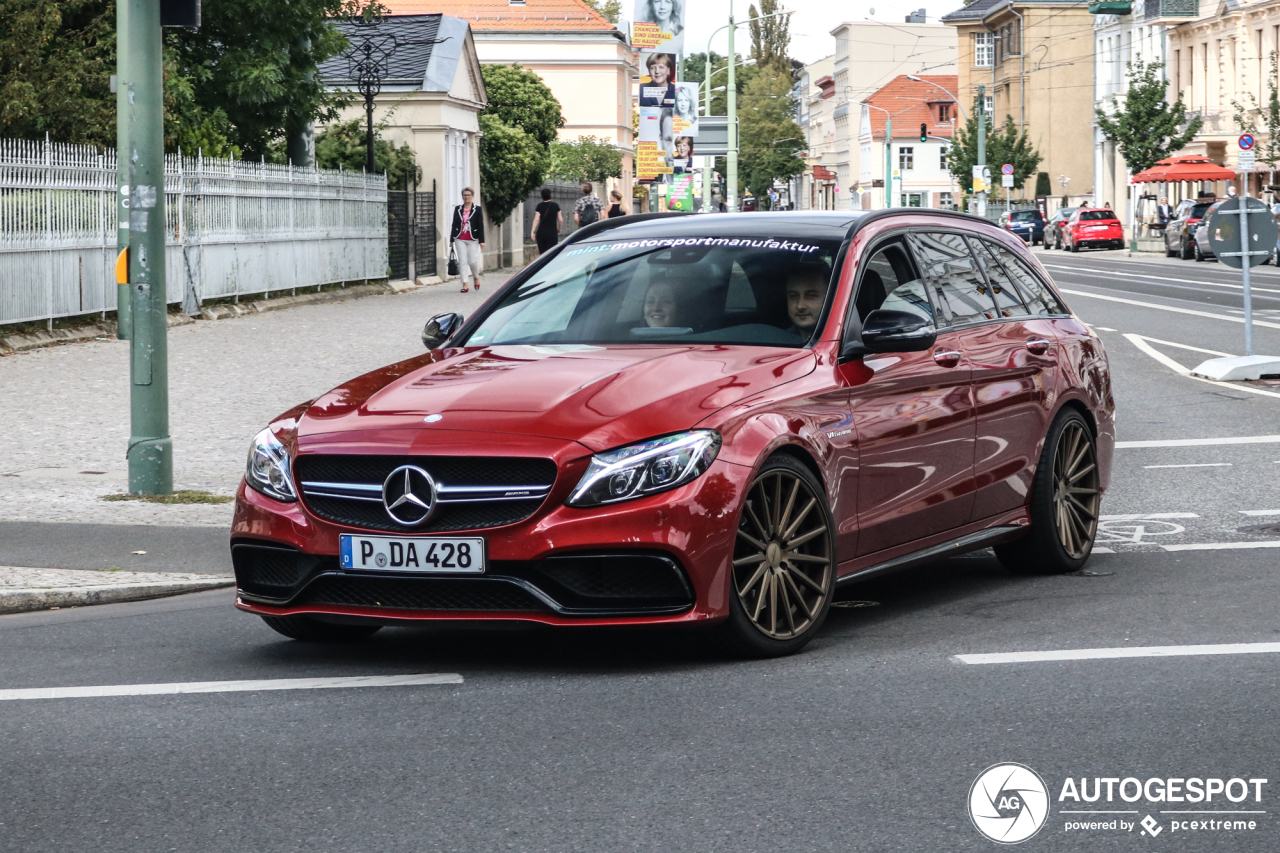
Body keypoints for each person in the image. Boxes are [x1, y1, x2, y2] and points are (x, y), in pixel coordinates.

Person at [449, 187, 485, 293]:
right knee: (463, 261)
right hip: (460, 238)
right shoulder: (458, 209)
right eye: (464, 195)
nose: (466, 197)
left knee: (473, 261)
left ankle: (476, 277)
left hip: (473, 238)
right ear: (462, 196)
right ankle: (465, 283)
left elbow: (480, 225)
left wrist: (482, 240)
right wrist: (452, 239)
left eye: (468, 195)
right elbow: (454, 224)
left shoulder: (477, 209)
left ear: (472, 196)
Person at [784, 265, 827, 340]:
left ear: (828, 297)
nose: (800, 306)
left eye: (811, 296)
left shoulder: (846, 338)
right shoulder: (776, 340)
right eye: (793, 296)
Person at [530, 188, 562, 255]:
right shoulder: (555, 205)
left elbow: (536, 219)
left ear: (542, 196)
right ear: (550, 195)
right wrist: (559, 228)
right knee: (552, 253)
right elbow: (560, 220)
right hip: (552, 233)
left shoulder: (539, 206)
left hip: (541, 233)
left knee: (543, 254)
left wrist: (533, 231)